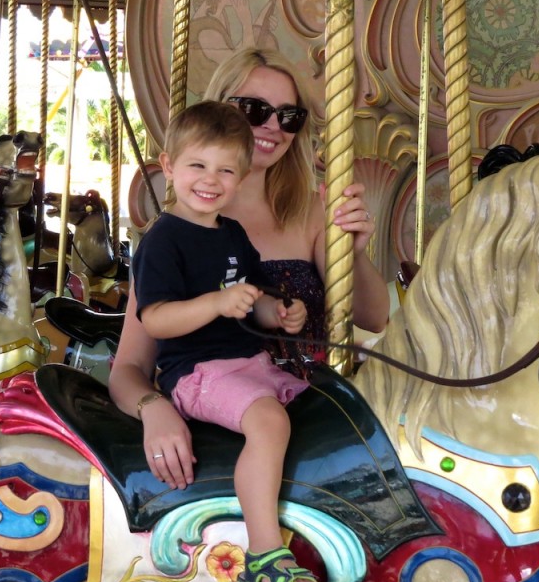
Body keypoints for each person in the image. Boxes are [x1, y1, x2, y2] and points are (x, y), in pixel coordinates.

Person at [110, 47, 390, 490]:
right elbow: (129, 366)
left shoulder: (311, 213)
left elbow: (375, 317)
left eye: (289, 116)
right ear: (219, 110)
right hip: (222, 420)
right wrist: (153, 409)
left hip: (310, 413)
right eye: (254, 109)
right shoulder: (174, 236)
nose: (272, 127)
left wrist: (353, 253)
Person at [132, 99, 319, 582]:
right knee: (269, 422)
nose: (210, 180)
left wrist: (279, 311)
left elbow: (253, 299)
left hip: (249, 363)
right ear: (169, 166)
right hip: (199, 373)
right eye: (197, 165)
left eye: (225, 170)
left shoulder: (232, 233)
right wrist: (216, 301)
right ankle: (264, 553)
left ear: (240, 177)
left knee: (321, 415)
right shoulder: (163, 241)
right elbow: (156, 318)